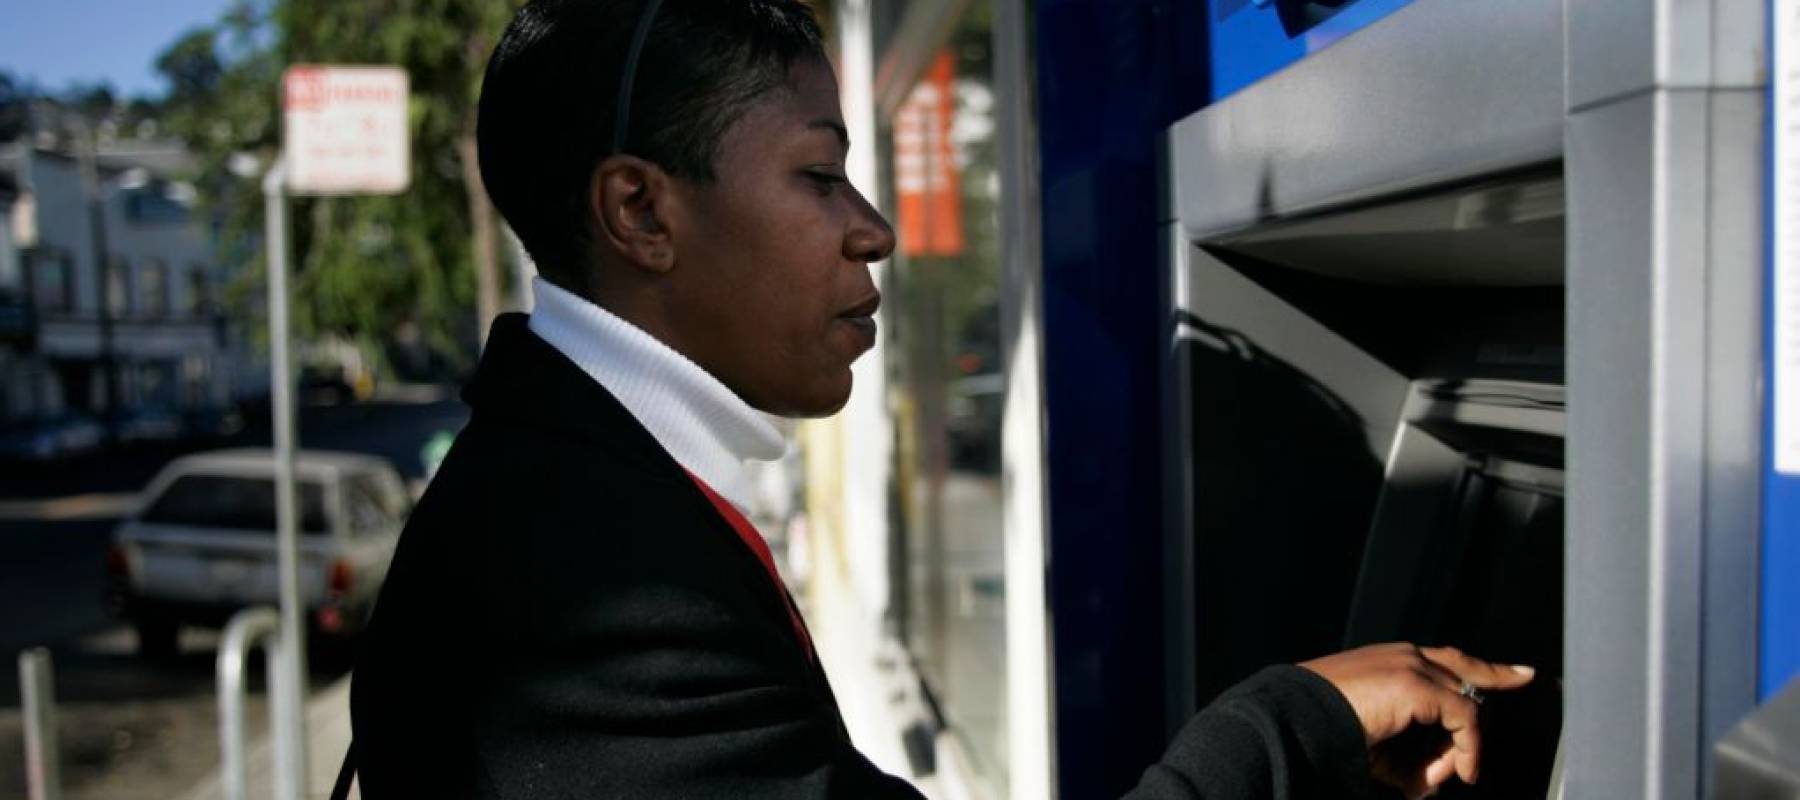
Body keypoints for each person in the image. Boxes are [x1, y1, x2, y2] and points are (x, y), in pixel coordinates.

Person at [343, 1, 1535, 798]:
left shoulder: (562, 479)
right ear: (641, 212)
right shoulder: (591, 582)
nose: (874, 228)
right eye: (818, 175)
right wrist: (1302, 712)